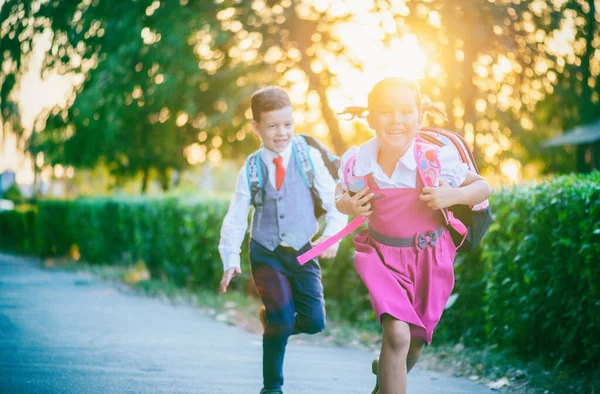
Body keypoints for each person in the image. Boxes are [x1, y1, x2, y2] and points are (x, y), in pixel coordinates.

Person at [333, 77, 492, 394]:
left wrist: (451, 197)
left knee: (414, 346)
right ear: (371, 118)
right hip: (381, 258)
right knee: (398, 335)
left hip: (431, 260)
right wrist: (347, 204)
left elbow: (482, 187)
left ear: (420, 117)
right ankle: (391, 363)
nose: (396, 120)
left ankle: (386, 378)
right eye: (386, 111)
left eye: (406, 111)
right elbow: (339, 194)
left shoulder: (434, 159)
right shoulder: (358, 161)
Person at [218, 86, 347, 394]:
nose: (282, 132)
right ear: (257, 128)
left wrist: (331, 237)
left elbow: (336, 202)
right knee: (282, 321)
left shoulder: (308, 157)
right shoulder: (250, 167)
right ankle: (272, 387)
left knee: (315, 322)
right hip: (265, 252)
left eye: (287, 124)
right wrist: (230, 260)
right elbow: (236, 216)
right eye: (273, 126)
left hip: (303, 250)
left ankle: (274, 319)